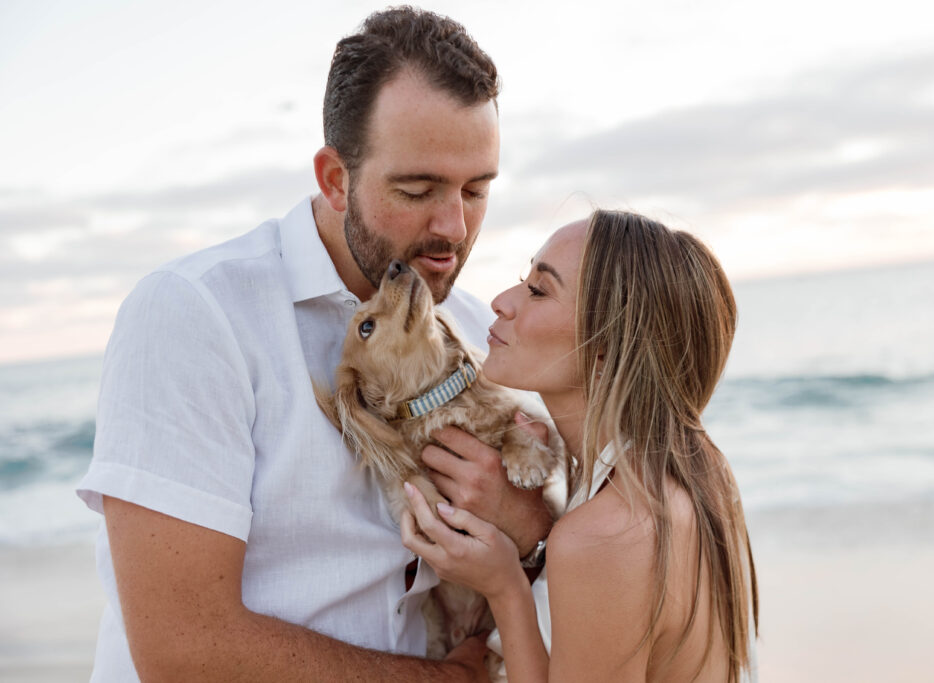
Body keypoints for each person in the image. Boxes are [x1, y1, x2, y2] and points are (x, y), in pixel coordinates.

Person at [76, 8, 551, 681]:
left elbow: (562, 567)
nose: (454, 226)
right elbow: (183, 645)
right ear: (334, 179)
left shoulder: (475, 329)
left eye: (476, 190)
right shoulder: (194, 314)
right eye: (418, 190)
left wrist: (525, 522)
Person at [402, 210, 759, 682]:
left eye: (538, 290)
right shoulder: (696, 472)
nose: (500, 302)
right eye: (523, 280)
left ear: (606, 344)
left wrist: (504, 585)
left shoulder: (608, 533)